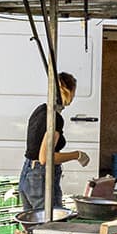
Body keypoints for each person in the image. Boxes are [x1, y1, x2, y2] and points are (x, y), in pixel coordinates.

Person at [21, 72, 88, 223]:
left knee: (34, 230)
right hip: (40, 177)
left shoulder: (40, 110)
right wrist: (77, 155)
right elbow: (45, 157)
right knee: (51, 227)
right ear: (68, 91)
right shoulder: (55, 118)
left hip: (27, 174)